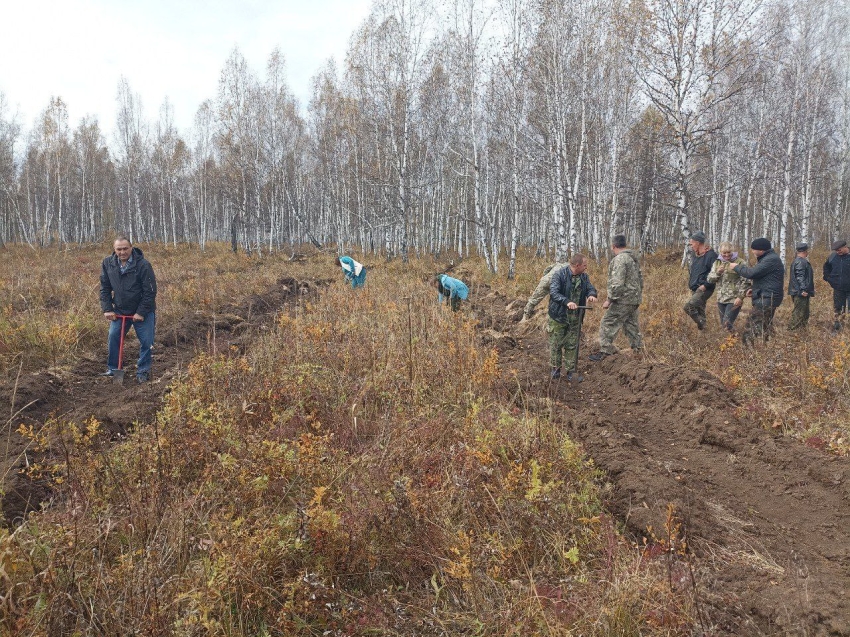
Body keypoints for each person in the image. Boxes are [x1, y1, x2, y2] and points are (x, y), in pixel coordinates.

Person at [99, 236, 157, 383]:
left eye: (125, 248)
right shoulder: (108, 263)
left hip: (143, 311)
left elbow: (150, 292)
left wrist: (140, 312)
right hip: (120, 311)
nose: (122, 252)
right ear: (114, 249)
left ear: (131, 248)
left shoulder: (143, 265)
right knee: (113, 337)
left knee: (146, 342)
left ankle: (143, 371)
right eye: (119, 249)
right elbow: (104, 289)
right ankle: (113, 369)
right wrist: (107, 309)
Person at [589, 235, 643, 361]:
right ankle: (638, 350)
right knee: (631, 324)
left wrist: (610, 299)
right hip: (634, 299)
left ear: (613, 246)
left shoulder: (620, 259)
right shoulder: (632, 258)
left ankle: (606, 351)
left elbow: (617, 283)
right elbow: (640, 280)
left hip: (623, 299)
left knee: (607, 322)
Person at [548, 253, 597, 381]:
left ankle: (571, 372)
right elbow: (554, 293)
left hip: (576, 317)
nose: (586, 268)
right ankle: (555, 369)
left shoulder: (584, 277)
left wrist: (591, 294)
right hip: (559, 316)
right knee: (556, 344)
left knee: (572, 344)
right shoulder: (559, 275)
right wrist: (567, 302)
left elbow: (590, 288)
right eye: (584, 265)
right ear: (577, 265)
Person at [729, 238, 784, 345]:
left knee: (751, 328)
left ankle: (748, 351)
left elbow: (751, 273)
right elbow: (766, 279)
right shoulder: (767, 258)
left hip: (767, 298)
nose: (752, 252)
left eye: (754, 249)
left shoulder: (770, 259)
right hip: (766, 296)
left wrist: (736, 267)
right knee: (765, 326)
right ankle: (768, 349)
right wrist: (754, 290)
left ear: (761, 250)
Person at [706, 242, 750, 332]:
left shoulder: (740, 262)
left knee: (727, 323)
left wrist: (740, 297)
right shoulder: (717, 263)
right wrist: (718, 273)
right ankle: (732, 342)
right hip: (721, 299)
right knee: (724, 325)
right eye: (724, 253)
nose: (726, 255)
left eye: (728, 252)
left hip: (734, 299)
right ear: (720, 252)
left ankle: (734, 342)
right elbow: (710, 280)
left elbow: (746, 281)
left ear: (732, 251)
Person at [683, 231, 718, 331]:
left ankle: (702, 325)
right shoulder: (696, 255)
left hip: (704, 288)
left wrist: (705, 285)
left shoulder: (711, 255)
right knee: (700, 310)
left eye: (692, 243)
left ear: (698, 243)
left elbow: (716, 273)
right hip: (695, 288)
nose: (691, 246)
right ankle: (704, 334)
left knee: (689, 307)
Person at [823, 239, 850, 332]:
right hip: (838, 288)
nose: (838, 252)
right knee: (838, 308)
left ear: (845, 247)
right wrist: (829, 279)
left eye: (839, 250)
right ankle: (837, 328)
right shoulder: (833, 256)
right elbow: (826, 268)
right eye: (836, 250)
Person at [788, 242, 815, 331]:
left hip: (799, 291)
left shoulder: (798, 261)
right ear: (805, 251)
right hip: (800, 292)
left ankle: (801, 333)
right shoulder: (801, 262)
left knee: (804, 313)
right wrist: (803, 289)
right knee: (799, 313)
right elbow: (800, 276)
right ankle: (792, 332)